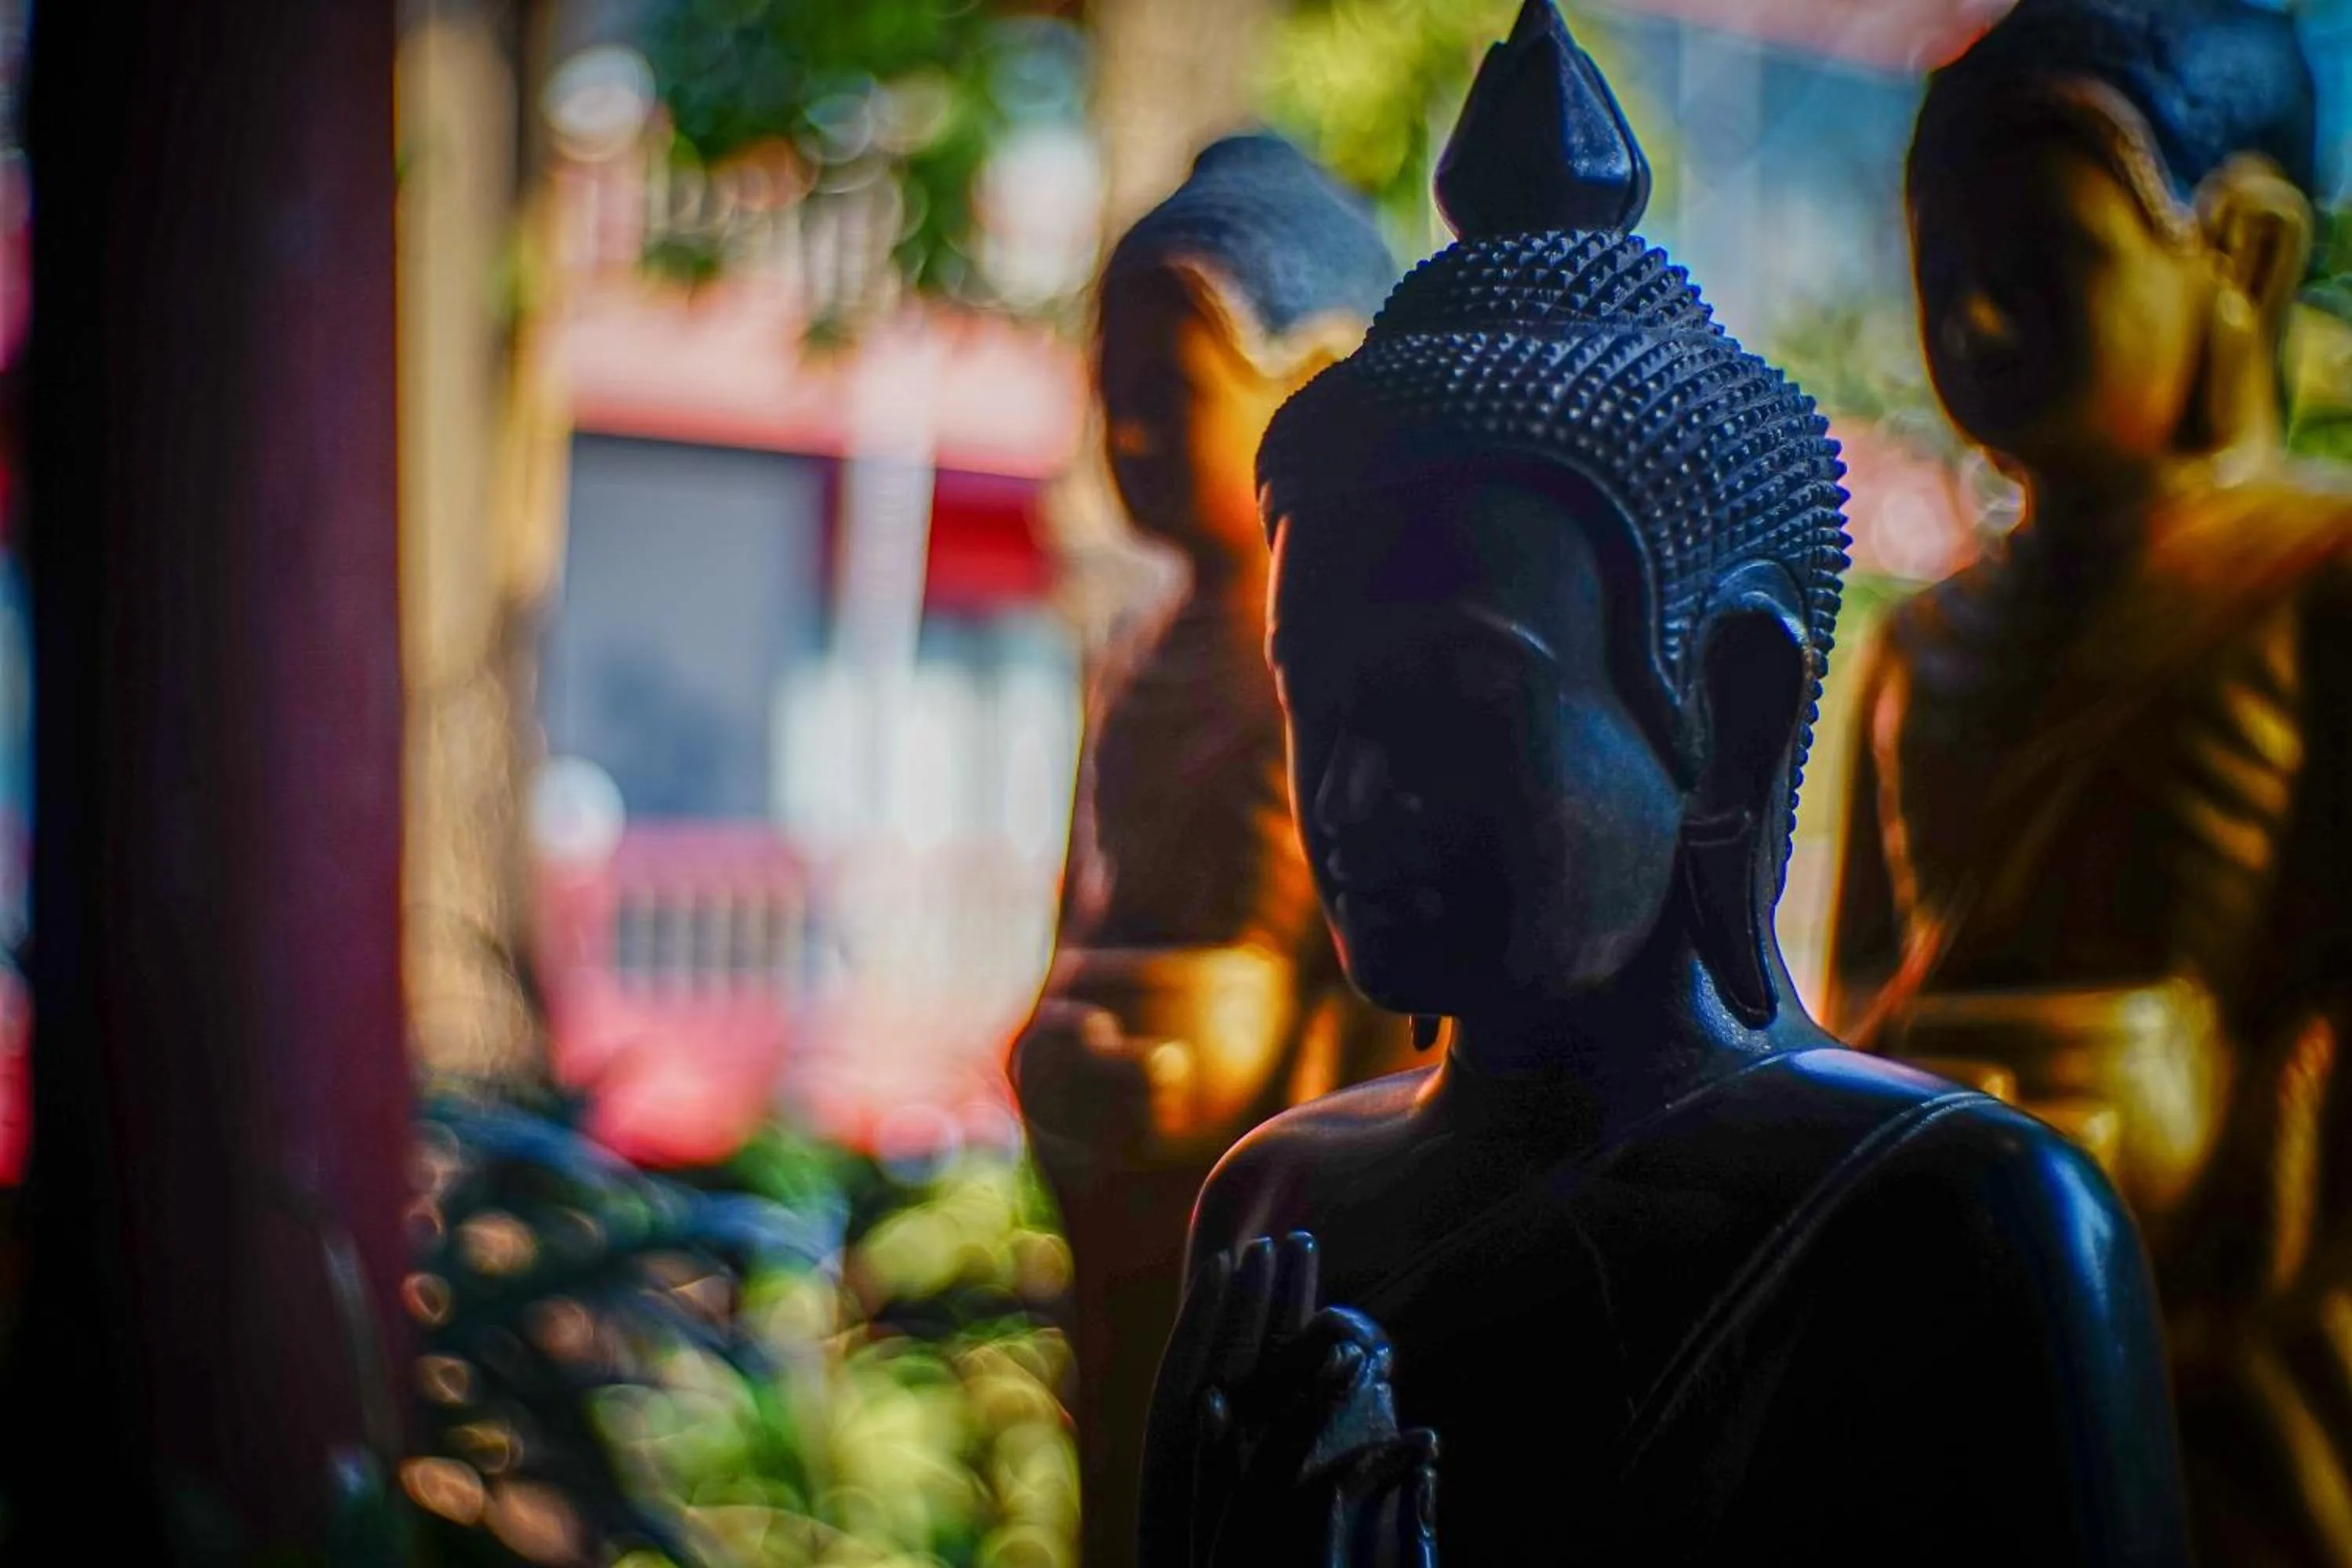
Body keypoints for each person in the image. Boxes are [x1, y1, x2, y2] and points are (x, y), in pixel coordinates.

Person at [1142, 5, 2190, 1563]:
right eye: (1321, 703)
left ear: (1738, 707)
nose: (1352, 791)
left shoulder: (1967, 1228)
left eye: (1451, 702)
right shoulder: (1277, 1205)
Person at [1824, 2, 2352, 1558]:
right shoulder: (1926, 643)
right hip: (1955, 1249)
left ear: (2242, 256)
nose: (1976, 324)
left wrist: (2217, 1126)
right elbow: (1863, 970)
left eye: (2041, 267)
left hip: (2215, 1288)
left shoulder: (2318, 587)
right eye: (1946, 276)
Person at [1006, 130, 1414, 1568]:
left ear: (1312, 389)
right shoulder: (1133, 665)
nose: (1129, 440)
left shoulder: (1348, 656)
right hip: (1113, 1160)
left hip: (1269, 1183)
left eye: (1169, 399)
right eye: (1110, 400)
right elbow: (1086, 904)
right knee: (1120, 1471)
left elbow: (1376, 977)